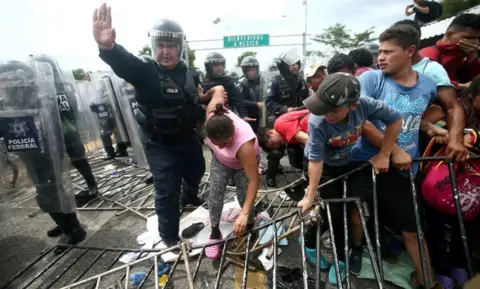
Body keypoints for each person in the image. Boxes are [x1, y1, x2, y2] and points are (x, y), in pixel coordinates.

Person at [93, 3, 205, 248]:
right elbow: (126, 64)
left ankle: (191, 196)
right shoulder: (146, 71)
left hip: (187, 138)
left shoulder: (190, 73)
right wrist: (108, 48)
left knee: (197, 170)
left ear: (179, 47)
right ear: (155, 46)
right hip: (159, 144)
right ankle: (169, 237)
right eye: (161, 45)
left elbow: (198, 97)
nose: (165, 51)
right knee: (167, 190)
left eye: (171, 46)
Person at [351, 24, 440, 288]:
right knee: (357, 216)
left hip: (403, 169)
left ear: (410, 51)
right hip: (364, 161)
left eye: (389, 52)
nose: (381, 57)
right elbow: (363, 122)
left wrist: (428, 125)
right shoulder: (370, 80)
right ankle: (355, 252)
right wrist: (394, 151)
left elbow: (428, 111)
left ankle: (428, 280)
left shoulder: (428, 85)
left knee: (412, 229)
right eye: (380, 51)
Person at [297, 73, 402, 285]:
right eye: (322, 107)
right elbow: (316, 162)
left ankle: (341, 256)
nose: (326, 114)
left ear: (352, 106)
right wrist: (310, 195)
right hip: (322, 167)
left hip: (349, 163)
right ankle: (322, 250)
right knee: (332, 214)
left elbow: (395, 119)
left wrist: (385, 153)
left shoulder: (365, 105)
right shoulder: (318, 121)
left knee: (350, 212)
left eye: (333, 110)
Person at [0, 60, 86, 254]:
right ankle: (67, 223)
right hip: (30, 156)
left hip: (43, 155)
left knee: (47, 194)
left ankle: (73, 231)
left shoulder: (36, 100)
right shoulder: (8, 104)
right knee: (54, 193)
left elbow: (53, 128)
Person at [422, 76, 480, 288]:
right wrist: (436, 132)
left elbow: (470, 138)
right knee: (434, 225)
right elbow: (423, 123)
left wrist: (472, 137)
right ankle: (441, 270)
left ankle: (459, 265)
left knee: (466, 224)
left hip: (472, 186)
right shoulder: (450, 108)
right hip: (441, 179)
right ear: (472, 95)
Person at [392, 19, 468, 162]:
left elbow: (452, 107)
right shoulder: (388, 70)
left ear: (411, 46)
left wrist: (456, 140)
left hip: (419, 145)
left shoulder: (431, 70)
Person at [30, 55, 99, 211]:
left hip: (66, 128)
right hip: (60, 130)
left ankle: (91, 187)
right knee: (60, 166)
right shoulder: (46, 86)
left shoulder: (59, 86)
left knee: (77, 160)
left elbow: (73, 107)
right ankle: (65, 202)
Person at [203, 85, 260, 259]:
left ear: (233, 135)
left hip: (243, 164)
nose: (219, 147)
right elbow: (218, 88)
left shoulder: (244, 146)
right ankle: (214, 232)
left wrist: (243, 215)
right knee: (215, 192)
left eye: (224, 143)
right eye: (215, 143)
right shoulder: (212, 114)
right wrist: (204, 95)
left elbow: (254, 181)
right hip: (222, 162)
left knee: (244, 197)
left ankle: (249, 229)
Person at [265, 50, 309, 187]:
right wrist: (285, 109)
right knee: (276, 151)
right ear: (283, 66)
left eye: (296, 63)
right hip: (280, 119)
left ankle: (305, 175)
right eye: (291, 64)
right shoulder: (275, 82)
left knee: (298, 151)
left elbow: (307, 100)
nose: (295, 66)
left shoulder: (300, 81)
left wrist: (300, 109)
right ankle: (270, 176)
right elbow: (269, 102)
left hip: (297, 120)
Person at [420, 13, 480, 91]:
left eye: (477, 38)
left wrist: (472, 58)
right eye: (468, 38)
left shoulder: (464, 54)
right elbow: (425, 78)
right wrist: (461, 86)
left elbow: (474, 76)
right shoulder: (429, 53)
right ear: (449, 34)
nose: (474, 42)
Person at [200, 52, 248, 118]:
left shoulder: (228, 81)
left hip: (226, 116)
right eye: (216, 65)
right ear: (208, 67)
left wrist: (244, 115)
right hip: (208, 118)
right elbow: (197, 102)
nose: (220, 67)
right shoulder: (202, 83)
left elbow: (238, 100)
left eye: (221, 65)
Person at [238, 56, 267, 133]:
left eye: (253, 70)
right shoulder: (242, 84)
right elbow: (240, 101)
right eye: (248, 71)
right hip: (250, 116)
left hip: (264, 114)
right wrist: (256, 104)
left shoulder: (264, 81)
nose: (251, 73)